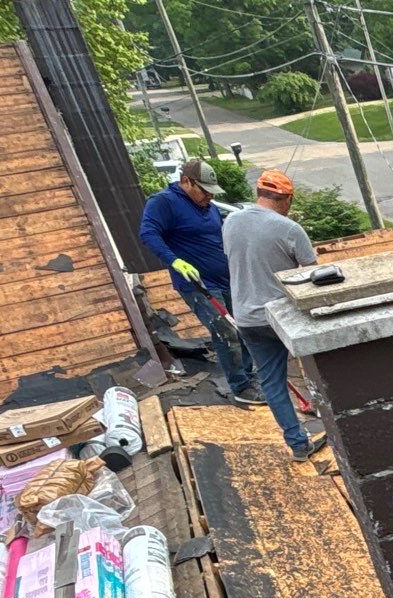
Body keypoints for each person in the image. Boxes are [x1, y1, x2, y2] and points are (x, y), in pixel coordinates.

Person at [222, 169, 329, 462]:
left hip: (247, 317)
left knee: (272, 383)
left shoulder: (230, 222)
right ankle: (336, 426)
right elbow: (311, 276)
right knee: (319, 367)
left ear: (259, 194)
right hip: (283, 315)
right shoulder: (290, 229)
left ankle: (298, 445)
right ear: (286, 199)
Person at [139, 158, 260, 405]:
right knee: (225, 331)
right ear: (186, 181)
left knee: (242, 326)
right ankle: (240, 387)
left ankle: (250, 376)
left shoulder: (208, 206)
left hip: (226, 278)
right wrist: (174, 261)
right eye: (204, 190)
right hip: (198, 284)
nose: (208, 196)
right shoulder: (164, 202)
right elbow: (148, 233)